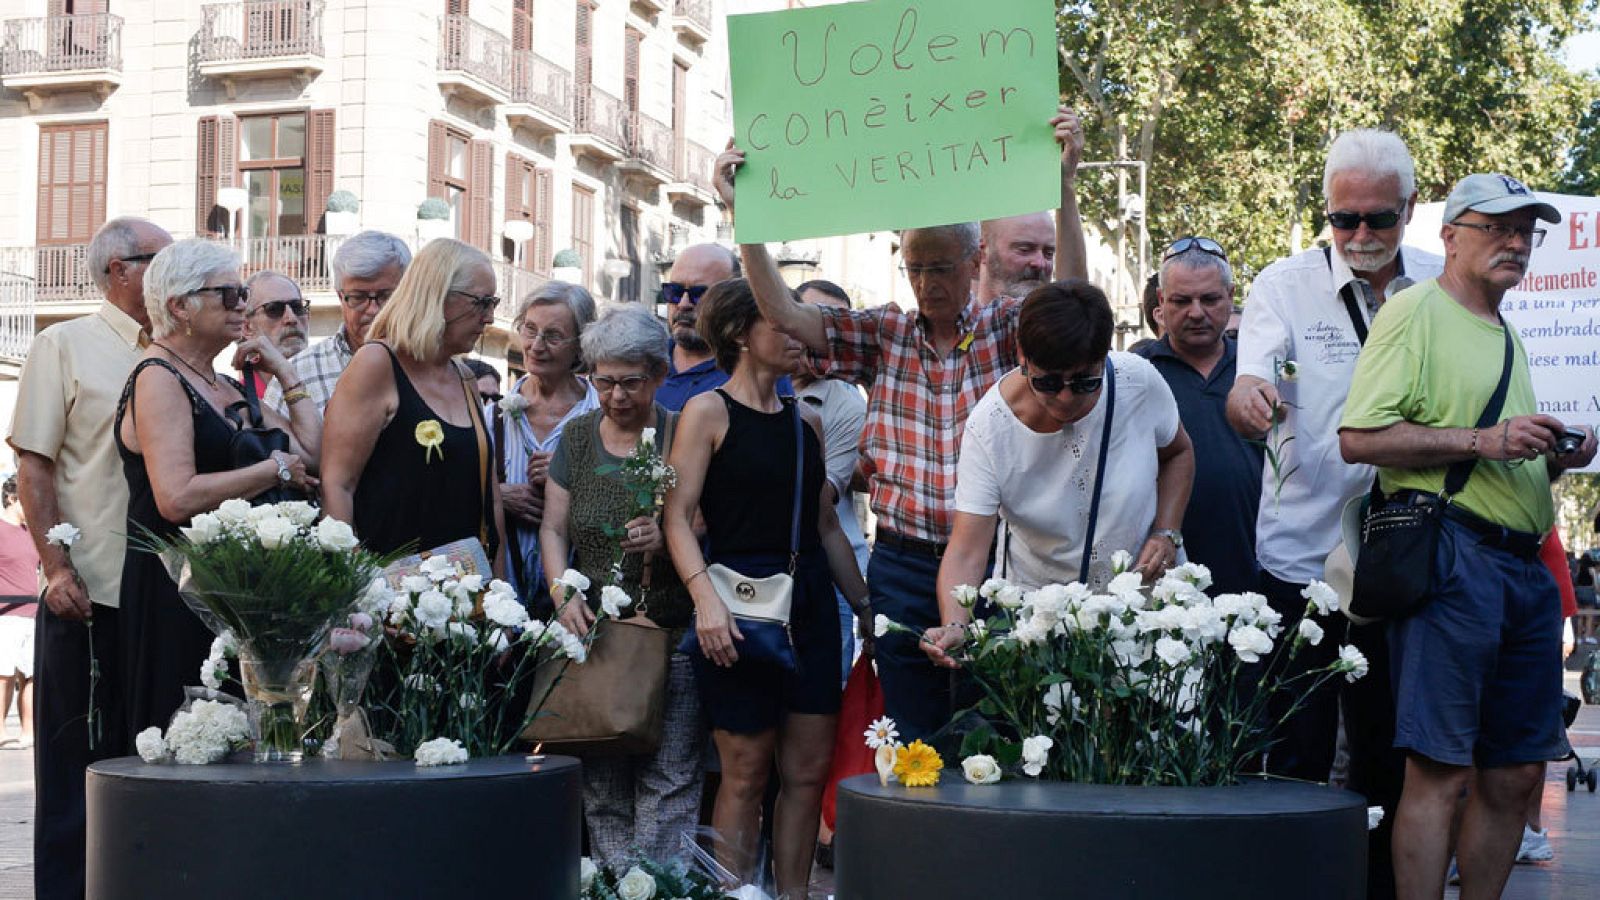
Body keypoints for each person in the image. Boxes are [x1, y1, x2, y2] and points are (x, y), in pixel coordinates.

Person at [714, 106, 1088, 740]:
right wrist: (743, 218)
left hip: (996, 561)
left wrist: (1066, 186)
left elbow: (1077, 298)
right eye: (914, 266)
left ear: (975, 264)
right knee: (910, 732)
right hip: (903, 563)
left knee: (996, 728)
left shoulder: (1006, 329)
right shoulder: (884, 331)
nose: (925, 281)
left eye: (940, 266)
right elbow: (781, 313)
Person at [1339, 172, 1597, 900]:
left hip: (1521, 571)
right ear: (1449, 236)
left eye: (1526, 230)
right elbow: (1357, 438)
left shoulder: (1507, 331)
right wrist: (1486, 438)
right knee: (1441, 771)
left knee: (1518, 773)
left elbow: (1500, 453)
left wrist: (1553, 454)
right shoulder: (1414, 309)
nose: (1515, 242)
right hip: (1453, 557)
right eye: (1497, 227)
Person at [1226, 129, 1442, 898]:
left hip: (1408, 557)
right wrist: (1250, 398)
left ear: (1410, 211)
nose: (1357, 236)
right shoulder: (1282, 286)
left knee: (1391, 753)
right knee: (1294, 750)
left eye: (1376, 220)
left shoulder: (1443, 286)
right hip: (1303, 559)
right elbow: (1252, 372)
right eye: (1341, 220)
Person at [663, 279, 869, 898]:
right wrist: (705, 602)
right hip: (733, 600)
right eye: (781, 324)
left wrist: (865, 606)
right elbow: (677, 517)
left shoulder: (806, 422)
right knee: (745, 772)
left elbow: (827, 524)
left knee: (806, 773)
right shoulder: (707, 412)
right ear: (739, 335)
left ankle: (794, 894)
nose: (797, 335)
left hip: (807, 601)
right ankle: (733, 894)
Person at [8, 215, 170, 900]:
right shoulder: (64, 343)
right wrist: (56, 570)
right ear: (118, 269)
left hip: (163, 598)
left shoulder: (178, 352)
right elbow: (34, 465)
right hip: (88, 592)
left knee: (155, 770)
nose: (171, 276)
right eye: (159, 262)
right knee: (74, 775)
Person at [922, 281, 1194, 664]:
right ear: (1022, 357)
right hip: (1045, 621)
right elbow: (968, 548)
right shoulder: (989, 428)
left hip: (1145, 609)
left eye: (1085, 381)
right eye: (1047, 382)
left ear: (1106, 358)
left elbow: (1179, 452)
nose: (1066, 397)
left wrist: (1167, 531)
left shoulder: (1138, 382)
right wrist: (956, 625)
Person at [116, 239, 320, 740]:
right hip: (175, 591)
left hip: (226, 590)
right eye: (229, 294)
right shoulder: (157, 376)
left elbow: (312, 454)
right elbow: (176, 496)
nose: (242, 305)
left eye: (243, 293)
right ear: (179, 306)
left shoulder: (223, 384)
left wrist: (286, 371)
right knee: (185, 737)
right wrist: (273, 471)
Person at [538, 305, 697, 865]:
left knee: (670, 777)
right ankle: (613, 882)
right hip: (595, 635)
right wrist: (563, 594)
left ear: (658, 374)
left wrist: (669, 535)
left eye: (631, 382)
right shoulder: (579, 437)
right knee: (602, 778)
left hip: (668, 633)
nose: (616, 396)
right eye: (603, 381)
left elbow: (709, 524)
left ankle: (659, 885)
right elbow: (553, 529)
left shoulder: (683, 432)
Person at [321, 238, 505, 570]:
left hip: (466, 603)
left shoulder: (464, 378)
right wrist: (356, 591)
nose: (490, 318)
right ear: (438, 296)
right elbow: (337, 485)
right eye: (482, 302)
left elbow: (490, 505)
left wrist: (502, 594)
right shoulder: (376, 364)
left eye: (493, 303)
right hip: (392, 603)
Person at [1136, 238, 1262, 594]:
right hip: (1166, 577)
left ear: (1231, 296)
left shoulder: (1258, 369)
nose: (1196, 312)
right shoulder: (1138, 375)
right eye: (1181, 301)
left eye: (1209, 299)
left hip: (1256, 568)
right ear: (1161, 301)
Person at [497, 282, 599, 604]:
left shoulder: (603, 419)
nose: (536, 345)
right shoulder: (492, 415)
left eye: (553, 336)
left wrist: (569, 478)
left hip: (578, 601)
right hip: (502, 599)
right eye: (530, 330)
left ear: (580, 347)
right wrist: (496, 495)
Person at [793, 279, 870, 681]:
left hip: (829, 571)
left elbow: (821, 498)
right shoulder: (749, 386)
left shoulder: (844, 402)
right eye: (810, 322)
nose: (816, 338)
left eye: (829, 332)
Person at [265, 230, 412, 414]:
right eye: (359, 297)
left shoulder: (432, 365)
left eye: (386, 296)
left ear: (407, 293)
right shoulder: (297, 374)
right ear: (340, 297)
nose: (373, 309)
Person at [655, 243, 739, 412]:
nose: (683, 304)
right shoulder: (644, 361)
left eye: (700, 294)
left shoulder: (754, 376)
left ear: (732, 300)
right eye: (675, 291)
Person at [0, 474, 39, 750]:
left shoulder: (33, 533)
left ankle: (29, 731)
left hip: (34, 611)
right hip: (6, 613)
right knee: (3, 674)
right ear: (13, 499)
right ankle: (0, 729)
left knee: (32, 674)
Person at [238, 270, 309, 398]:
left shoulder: (337, 382)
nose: (291, 318)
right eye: (274, 309)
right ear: (247, 327)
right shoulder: (238, 399)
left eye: (297, 307)